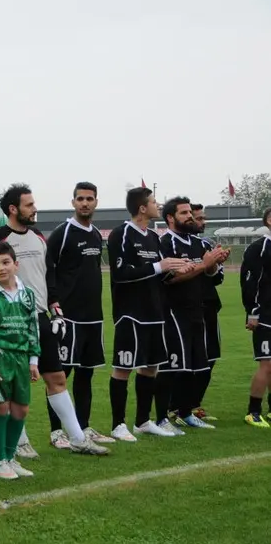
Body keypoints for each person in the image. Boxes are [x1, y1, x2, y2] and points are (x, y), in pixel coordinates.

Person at [0, 184, 107, 457]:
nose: (35, 209)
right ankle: (19, 442)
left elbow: (48, 273)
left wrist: (54, 302)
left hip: (40, 318)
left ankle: (78, 439)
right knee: (14, 383)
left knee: (56, 377)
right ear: (13, 209)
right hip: (11, 321)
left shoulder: (37, 236)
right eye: (29, 205)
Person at [106, 187, 189, 440]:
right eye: (154, 201)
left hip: (155, 312)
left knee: (151, 368)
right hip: (131, 314)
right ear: (142, 208)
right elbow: (120, 274)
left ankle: (142, 421)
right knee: (123, 368)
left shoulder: (153, 236)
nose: (158, 204)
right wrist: (159, 266)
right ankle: (118, 425)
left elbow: (159, 272)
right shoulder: (121, 234)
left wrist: (175, 269)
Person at [44, 182, 115, 444]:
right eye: (80, 198)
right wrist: (54, 303)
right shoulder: (62, 233)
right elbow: (48, 268)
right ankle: (57, 432)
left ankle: (83, 427)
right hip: (68, 316)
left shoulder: (95, 234)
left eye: (90, 198)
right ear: (73, 202)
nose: (85, 203)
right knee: (60, 375)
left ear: (96, 202)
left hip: (93, 317)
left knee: (86, 374)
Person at [159, 197, 229, 432]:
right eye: (184, 213)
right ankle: (162, 416)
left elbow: (209, 276)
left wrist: (214, 263)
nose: (190, 216)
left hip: (197, 310)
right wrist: (204, 264)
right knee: (175, 367)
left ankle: (186, 412)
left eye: (190, 212)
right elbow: (169, 279)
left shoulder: (198, 243)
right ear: (171, 218)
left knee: (196, 366)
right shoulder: (165, 243)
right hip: (174, 312)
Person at [0, 242, 42, 480]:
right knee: (1, 407)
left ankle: (11, 457)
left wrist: (33, 360)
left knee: (21, 409)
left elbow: (33, 328)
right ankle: (0, 461)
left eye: (5, 263)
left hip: (22, 358)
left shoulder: (27, 294)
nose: (1, 268)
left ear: (16, 264)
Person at [190, 203, 223, 421]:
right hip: (189, 308)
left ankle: (194, 405)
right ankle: (178, 406)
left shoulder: (207, 244)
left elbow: (218, 278)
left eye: (204, 218)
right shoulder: (175, 243)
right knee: (189, 359)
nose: (203, 222)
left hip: (210, 307)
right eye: (199, 218)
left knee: (210, 358)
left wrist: (215, 264)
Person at [241, 208, 271, 428]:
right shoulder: (259, 248)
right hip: (265, 315)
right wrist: (252, 312)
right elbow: (249, 283)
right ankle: (253, 412)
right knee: (267, 365)